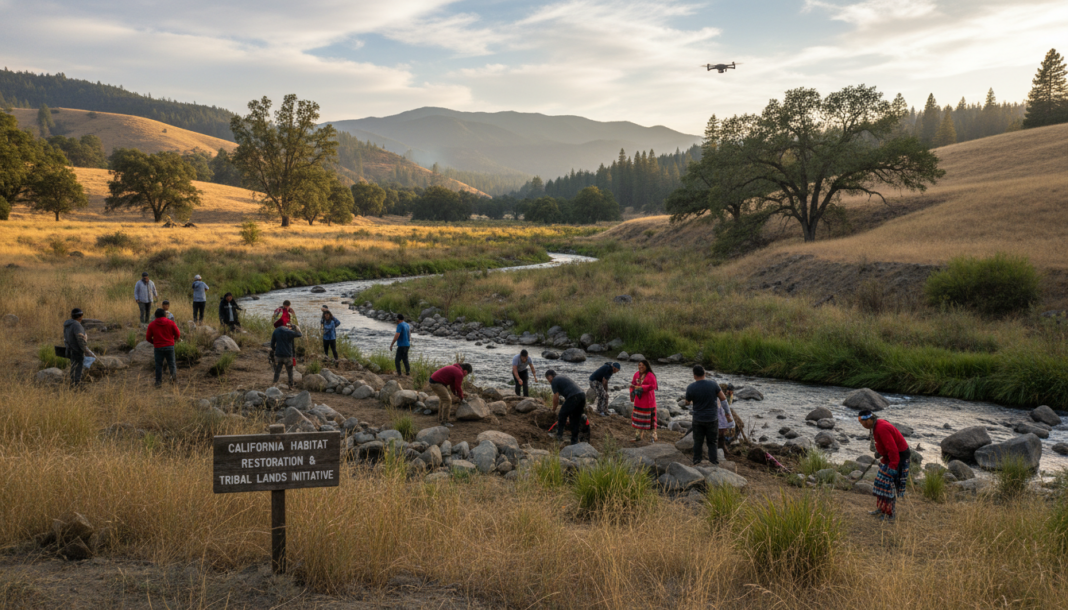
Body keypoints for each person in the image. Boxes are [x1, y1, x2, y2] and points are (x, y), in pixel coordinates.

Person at [859, 410, 910, 521]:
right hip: (889, 457)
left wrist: (892, 468)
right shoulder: (876, 425)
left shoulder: (881, 428)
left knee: (888, 486)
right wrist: (881, 453)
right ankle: (882, 509)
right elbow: (885, 445)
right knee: (880, 483)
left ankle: (890, 514)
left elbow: (893, 450)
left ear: (868, 420)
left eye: (862, 422)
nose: (861, 425)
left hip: (898, 458)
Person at [684, 365, 727, 466]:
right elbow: (723, 397)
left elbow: (687, 402)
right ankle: (714, 462)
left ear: (694, 375)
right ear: (704, 373)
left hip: (698, 418)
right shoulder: (713, 384)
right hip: (712, 418)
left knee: (698, 441)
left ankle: (696, 460)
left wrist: (687, 402)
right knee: (712, 442)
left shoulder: (691, 387)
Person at [545, 370, 587, 445]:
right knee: (574, 418)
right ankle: (574, 441)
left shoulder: (554, 381)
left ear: (550, 377)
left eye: (548, 379)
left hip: (574, 396)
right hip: (582, 395)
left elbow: (556, 397)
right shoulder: (562, 377)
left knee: (562, 414)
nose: (549, 381)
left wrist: (554, 409)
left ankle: (559, 436)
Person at [145, 308, 181, 387]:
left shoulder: (152, 324)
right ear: (165, 315)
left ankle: (158, 383)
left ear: (155, 316)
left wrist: (154, 343)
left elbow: (148, 338)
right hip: (169, 346)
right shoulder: (171, 323)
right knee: (172, 364)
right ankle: (173, 381)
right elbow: (178, 333)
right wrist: (175, 339)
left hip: (158, 347)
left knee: (158, 365)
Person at [629, 359, 659, 442]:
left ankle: (653, 437)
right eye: (639, 365)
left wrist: (642, 388)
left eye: (642, 365)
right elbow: (633, 384)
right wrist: (632, 389)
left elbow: (653, 385)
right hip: (639, 401)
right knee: (638, 420)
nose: (640, 367)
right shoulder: (636, 374)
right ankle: (638, 437)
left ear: (646, 366)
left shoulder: (650, 375)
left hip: (649, 402)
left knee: (651, 421)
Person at [270, 322, 303, 389]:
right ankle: (291, 385)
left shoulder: (276, 331)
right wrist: (297, 328)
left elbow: (272, 344)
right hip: (288, 355)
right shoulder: (289, 332)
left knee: (278, 370)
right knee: (290, 371)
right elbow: (300, 334)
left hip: (279, 354)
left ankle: (274, 383)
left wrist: (275, 350)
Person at [63, 308, 89, 388]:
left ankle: (72, 383)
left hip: (70, 349)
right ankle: (76, 386)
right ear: (80, 316)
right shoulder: (77, 325)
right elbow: (80, 339)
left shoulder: (67, 324)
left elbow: (65, 338)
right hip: (76, 350)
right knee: (78, 368)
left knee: (73, 367)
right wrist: (85, 349)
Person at [718, 384, 737, 455]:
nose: (730, 392)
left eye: (731, 391)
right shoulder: (725, 396)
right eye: (728, 390)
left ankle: (726, 440)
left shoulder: (730, 396)